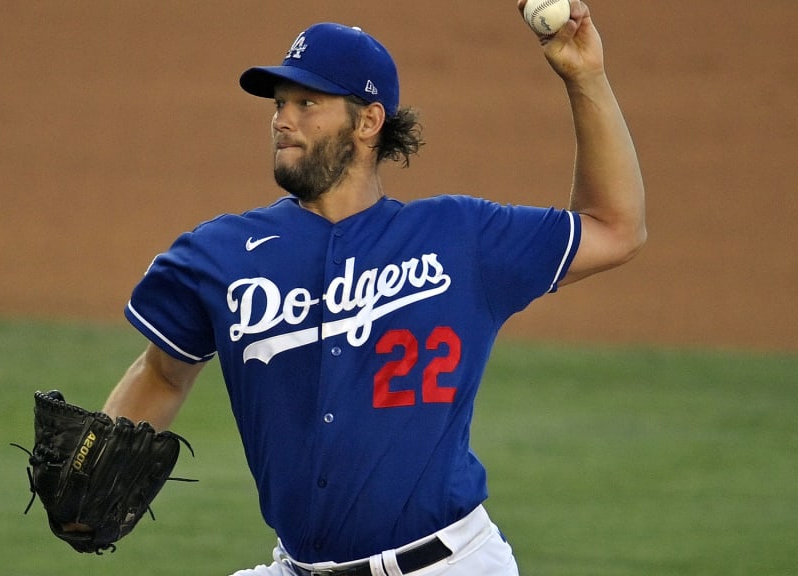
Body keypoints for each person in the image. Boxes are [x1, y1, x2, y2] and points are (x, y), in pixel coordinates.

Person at [102, 1, 645, 574]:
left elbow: (615, 227)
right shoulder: (221, 253)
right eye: (280, 103)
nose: (282, 120)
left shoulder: (461, 238)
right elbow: (163, 372)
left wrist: (585, 77)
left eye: (307, 103)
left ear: (368, 121)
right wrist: (99, 466)